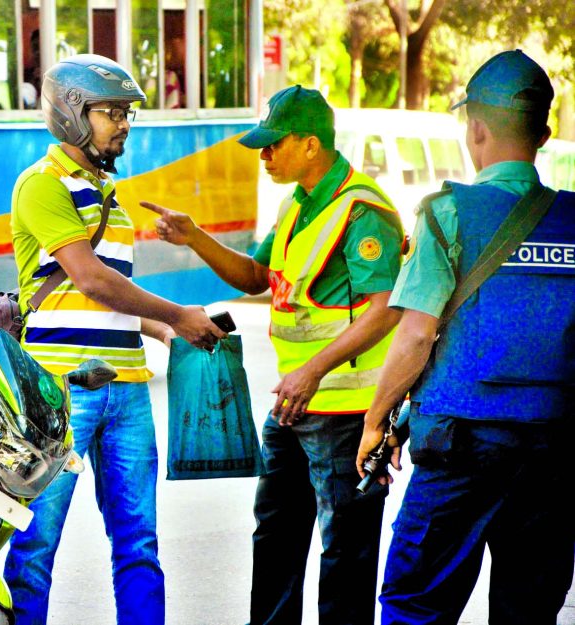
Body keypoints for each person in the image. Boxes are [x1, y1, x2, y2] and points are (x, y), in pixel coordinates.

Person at [142, 85, 405, 625]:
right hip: (295, 403)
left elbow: (388, 309)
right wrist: (196, 238)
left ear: (310, 145)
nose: (263, 156)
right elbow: (259, 277)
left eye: (272, 145)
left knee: (345, 552)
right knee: (277, 534)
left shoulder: (362, 210)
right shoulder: (299, 204)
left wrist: (312, 370)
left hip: (347, 413)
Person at [2, 54, 224, 625]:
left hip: (127, 390)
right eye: (112, 113)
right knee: (35, 547)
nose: (124, 124)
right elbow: (92, 279)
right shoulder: (41, 185)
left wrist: (166, 331)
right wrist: (178, 314)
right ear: (73, 114)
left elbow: (110, 297)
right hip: (59, 393)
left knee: (139, 545)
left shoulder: (109, 193)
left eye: (128, 114)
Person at [357, 49, 575, 625]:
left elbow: (416, 335)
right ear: (544, 133)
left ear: (475, 129)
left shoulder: (448, 213)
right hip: (553, 454)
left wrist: (377, 420)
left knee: (416, 606)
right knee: (529, 610)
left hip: (461, 448)